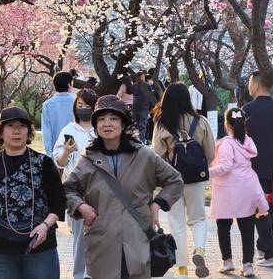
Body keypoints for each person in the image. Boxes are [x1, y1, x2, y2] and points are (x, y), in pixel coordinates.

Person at [64, 95, 183, 279]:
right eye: (101, 119)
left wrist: (158, 204)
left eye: (113, 118)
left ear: (123, 123)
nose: (107, 124)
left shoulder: (144, 155)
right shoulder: (87, 159)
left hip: (137, 240)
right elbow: (67, 189)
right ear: (95, 125)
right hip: (102, 241)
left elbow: (174, 180)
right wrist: (81, 206)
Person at [0, 107, 65, 278]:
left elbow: (58, 202)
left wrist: (45, 225)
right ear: (1, 132)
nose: (17, 131)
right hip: (3, 249)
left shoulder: (43, 163)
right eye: (11, 126)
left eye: (22, 126)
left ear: (29, 132)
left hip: (40, 246)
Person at [152, 83, 216, 278]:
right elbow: (211, 153)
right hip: (196, 180)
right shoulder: (201, 121)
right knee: (198, 219)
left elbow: (156, 156)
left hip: (172, 181)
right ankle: (199, 251)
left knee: (176, 223)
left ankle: (182, 270)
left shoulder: (162, 123)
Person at [210, 108, 269, 277]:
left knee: (223, 226)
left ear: (228, 124)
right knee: (247, 228)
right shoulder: (248, 141)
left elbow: (226, 166)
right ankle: (248, 266)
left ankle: (227, 262)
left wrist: (208, 172)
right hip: (247, 187)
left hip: (228, 189)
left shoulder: (226, 143)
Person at [52, 88, 98, 279]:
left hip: (100, 191)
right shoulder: (68, 130)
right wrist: (66, 152)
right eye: (80, 106)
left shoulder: (100, 129)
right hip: (76, 193)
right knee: (80, 239)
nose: (83, 110)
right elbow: (58, 161)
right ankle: (80, 275)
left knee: (100, 237)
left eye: (87, 106)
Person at [243, 71, 273, 267]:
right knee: (270, 209)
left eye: (249, 82)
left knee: (261, 210)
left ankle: (269, 253)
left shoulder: (248, 109)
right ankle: (265, 246)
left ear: (255, 84)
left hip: (255, 168)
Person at [41, 71, 75, 157]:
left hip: (55, 152)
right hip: (75, 149)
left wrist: (49, 153)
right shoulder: (77, 102)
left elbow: (46, 131)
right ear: (69, 84)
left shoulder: (48, 104)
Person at [131, 71, 157, 144]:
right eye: (143, 76)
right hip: (143, 106)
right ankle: (142, 140)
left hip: (135, 106)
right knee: (142, 124)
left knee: (139, 124)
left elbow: (132, 93)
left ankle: (141, 140)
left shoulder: (134, 85)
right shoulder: (147, 85)